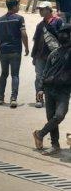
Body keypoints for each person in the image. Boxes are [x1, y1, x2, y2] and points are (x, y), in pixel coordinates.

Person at [33, 23, 71, 155]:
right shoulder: (54, 53)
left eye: (66, 33)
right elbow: (45, 72)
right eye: (61, 33)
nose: (63, 35)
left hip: (63, 91)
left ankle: (40, 133)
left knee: (59, 115)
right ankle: (55, 145)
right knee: (51, 118)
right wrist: (40, 89)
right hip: (49, 90)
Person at [0, 0, 29, 108]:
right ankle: (13, 99)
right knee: (15, 75)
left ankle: (0, 98)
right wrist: (27, 48)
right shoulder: (19, 19)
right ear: (13, 7)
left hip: (3, 51)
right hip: (15, 51)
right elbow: (24, 34)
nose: (19, 7)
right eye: (18, 5)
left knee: (4, 74)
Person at [30, 1, 63, 108]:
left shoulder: (58, 22)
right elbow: (36, 41)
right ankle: (39, 99)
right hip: (40, 56)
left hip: (54, 56)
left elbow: (63, 39)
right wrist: (34, 56)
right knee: (39, 77)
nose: (40, 11)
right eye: (39, 9)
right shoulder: (40, 25)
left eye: (42, 9)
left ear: (49, 9)